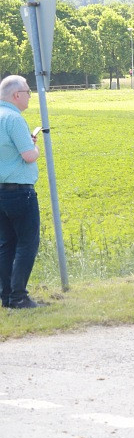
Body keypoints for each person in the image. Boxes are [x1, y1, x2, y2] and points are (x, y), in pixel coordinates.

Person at [1, 75, 42, 309]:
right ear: (17, 95)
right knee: (27, 243)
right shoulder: (14, 119)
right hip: (20, 192)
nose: (29, 96)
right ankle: (19, 297)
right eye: (28, 92)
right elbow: (28, 156)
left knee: (6, 244)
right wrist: (34, 145)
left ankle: (6, 296)